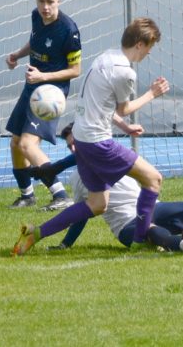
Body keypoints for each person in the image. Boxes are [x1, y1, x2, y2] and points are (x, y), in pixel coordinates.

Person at [12, 17, 170, 256]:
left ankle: (36, 233)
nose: (148, 53)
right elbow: (123, 109)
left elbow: (101, 105)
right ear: (140, 43)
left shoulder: (106, 57)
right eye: (150, 47)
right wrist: (152, 93)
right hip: (99, 142)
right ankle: (140, 239)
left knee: (97, 204)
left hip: (82, 139)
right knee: (153, 179)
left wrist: (125, 129)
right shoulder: (125, 72)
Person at [34, 124, 183, 253]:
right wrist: (66, 244)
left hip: (153, 208)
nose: (74, 148)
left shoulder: (114, 156)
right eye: (70, 145)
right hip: (127, 225)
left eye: (76, 143)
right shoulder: (78, 177)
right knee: (153, 232)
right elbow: (81, 214)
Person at [4, 0, 81, 211]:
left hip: (51, 93)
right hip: (32, 86)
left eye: (50, 2)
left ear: (59, 1)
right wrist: (18, 54)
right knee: (16, 143)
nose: (45, 7)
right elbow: (35, 41)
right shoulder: (36, 17)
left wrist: (42, 77)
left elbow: (75, 70)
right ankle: (27, 195)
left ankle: (60, 194)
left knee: (28, 144)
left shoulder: (69, 29)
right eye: (41, 2)